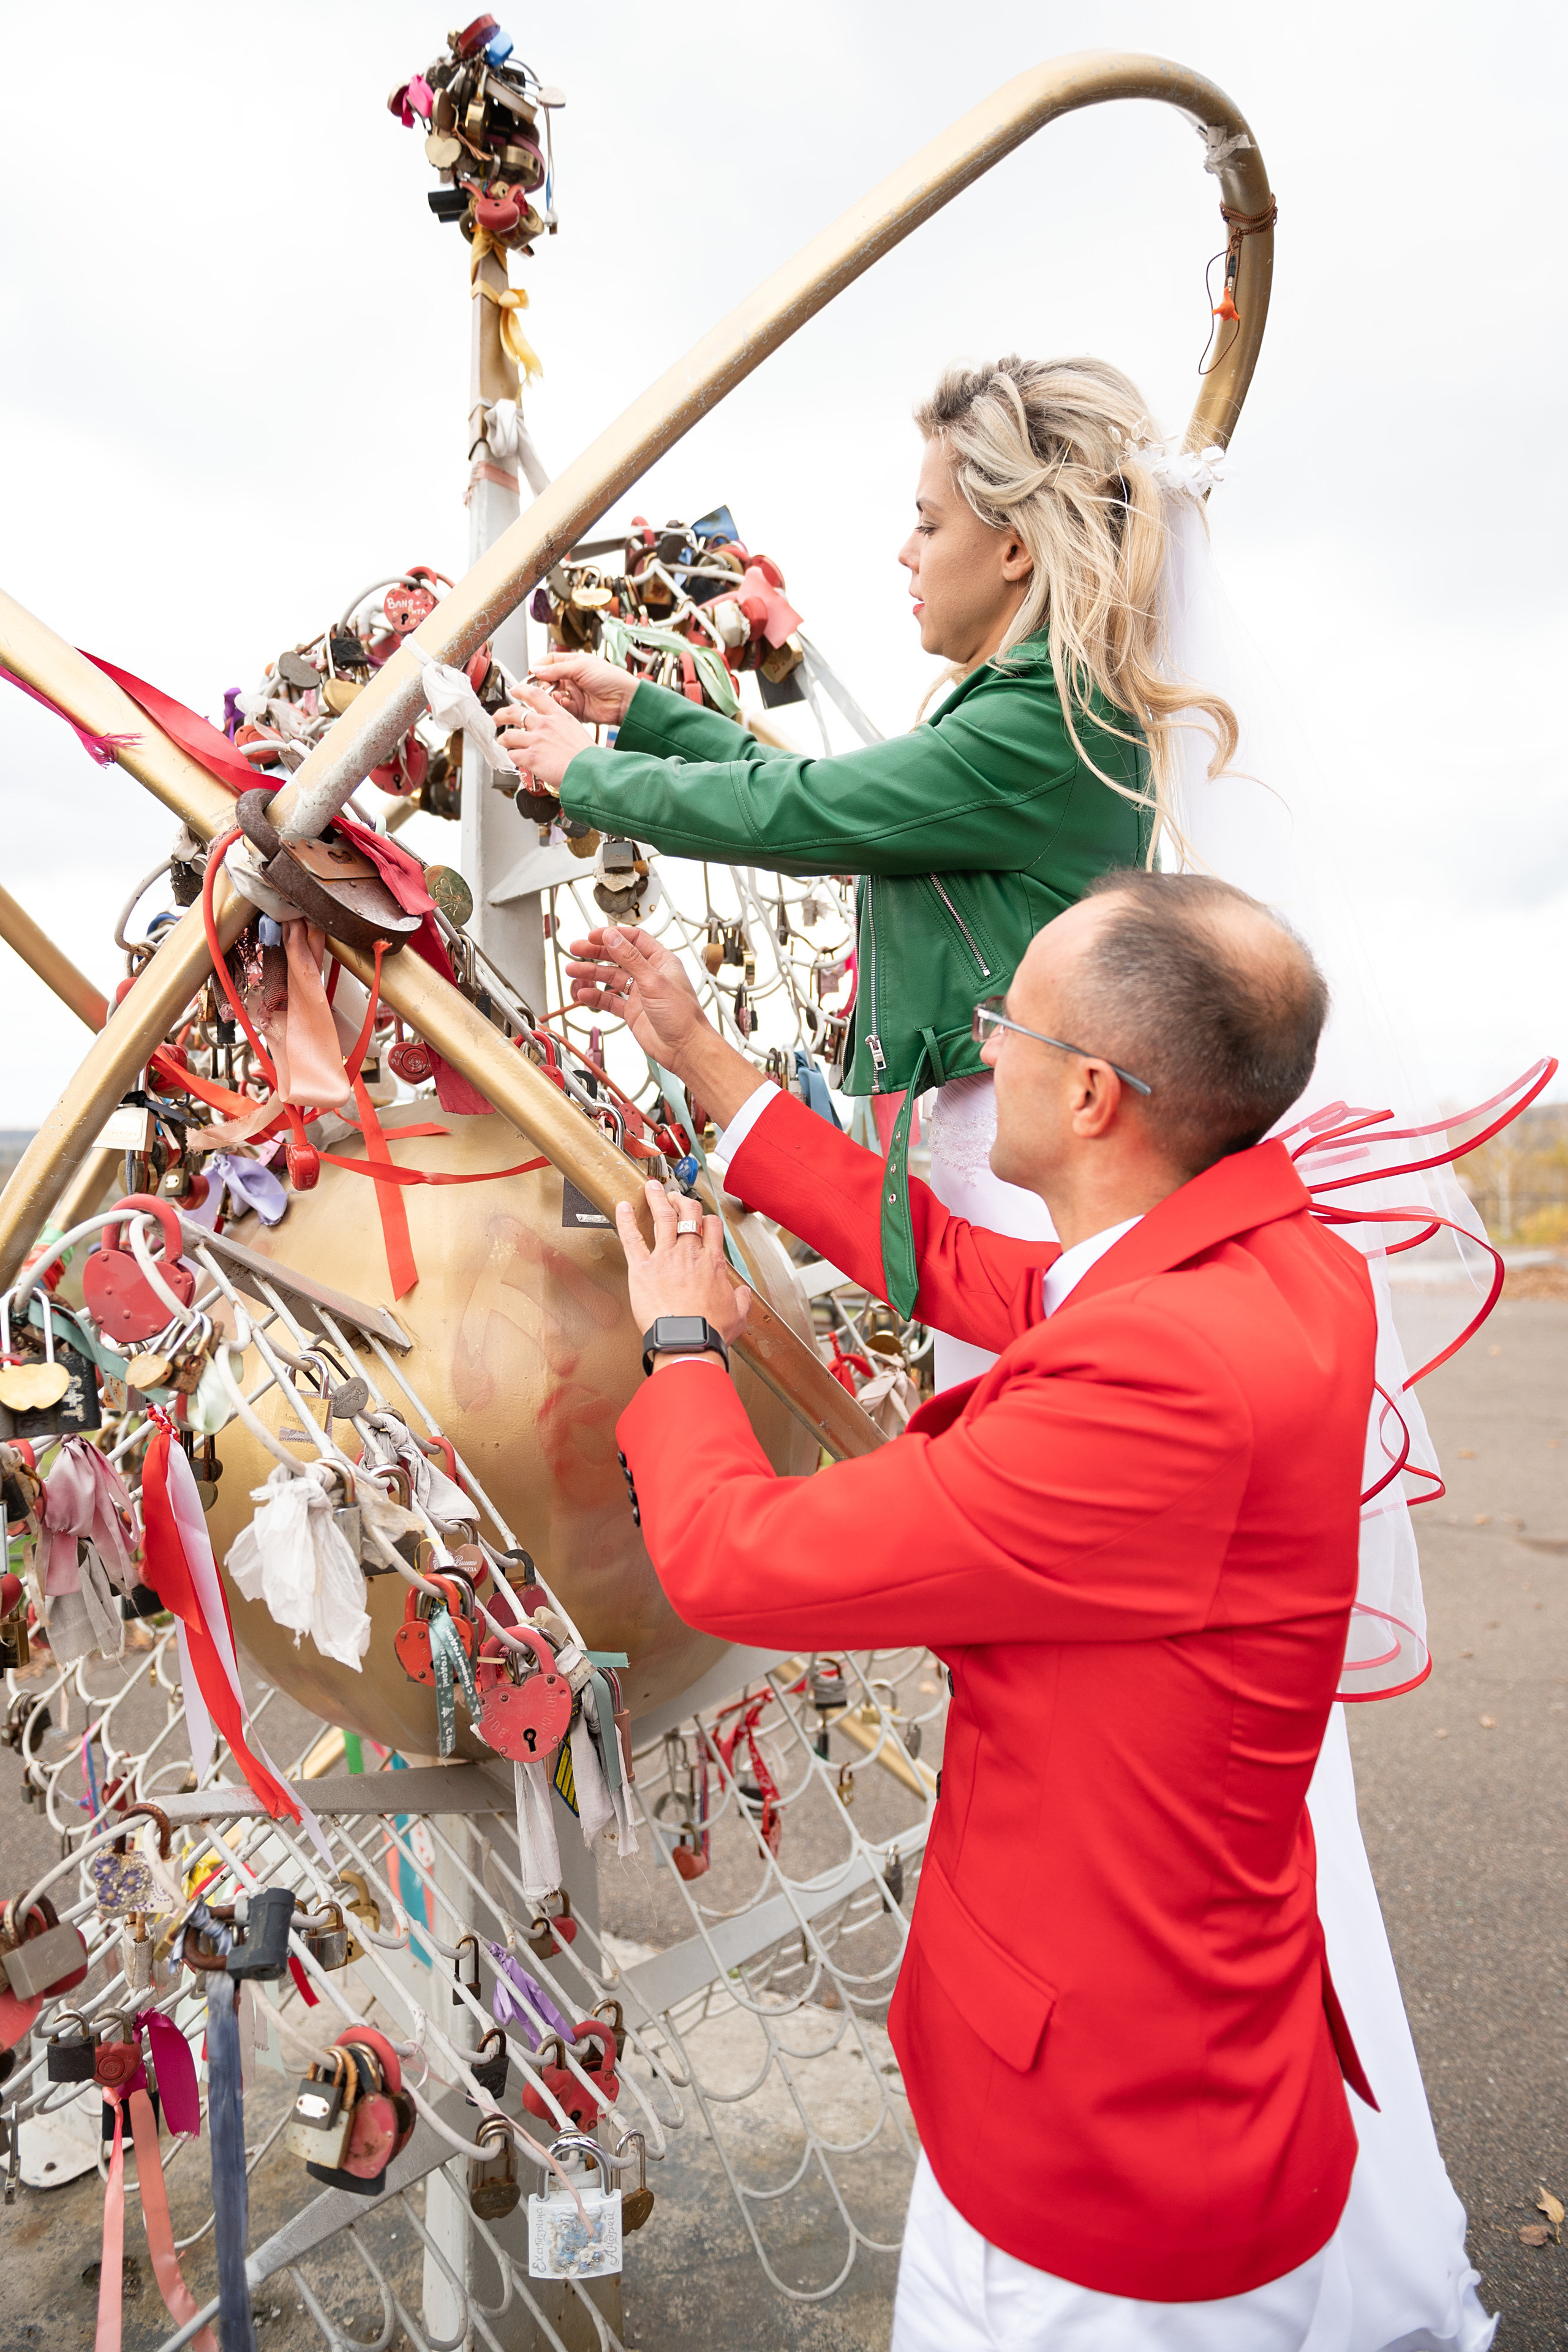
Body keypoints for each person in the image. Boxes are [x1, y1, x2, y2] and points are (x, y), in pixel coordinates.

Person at [565, 881, 1384, 2349]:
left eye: (1004, 1018)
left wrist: (682, 1343)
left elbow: (739, 1560)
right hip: (1200, 2073)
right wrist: (701, 1059)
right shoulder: (1279, 1268)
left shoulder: (1155, 1394)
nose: (979, 1040)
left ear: (1087, 1094)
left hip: (1099, 2179)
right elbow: (968, 1271)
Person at [500, 356, 1237, 1328]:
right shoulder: (1047, 713)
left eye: (929, 523)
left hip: (1031, 1172)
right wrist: (651, 714)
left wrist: (584, 772)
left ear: (1015, 547)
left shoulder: (1036, 725)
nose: (906, 552)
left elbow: (813, 812)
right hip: (1020, 1140)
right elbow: (852, 809)